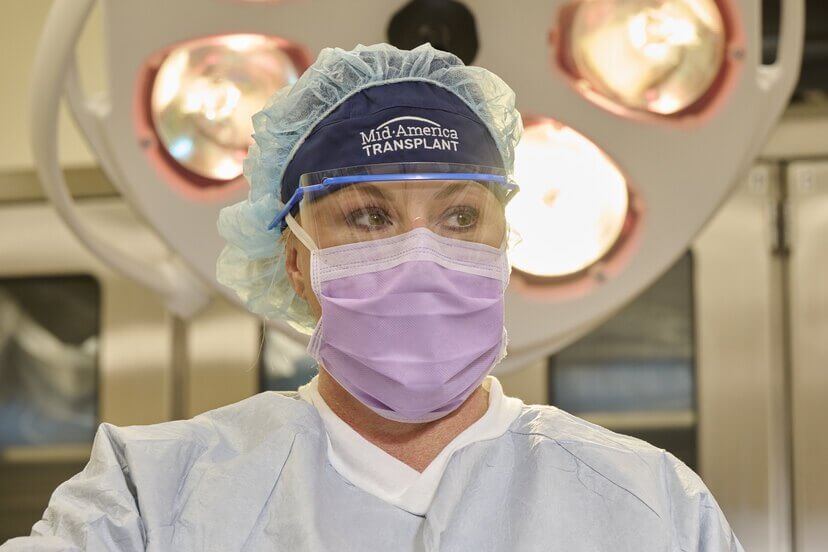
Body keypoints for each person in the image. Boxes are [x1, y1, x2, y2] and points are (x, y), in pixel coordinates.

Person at [1, 43, 743, 551]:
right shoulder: (155, 495)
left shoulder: (652, 505)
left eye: (459, 217)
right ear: (295, 260)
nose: (423, 252)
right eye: (370, 216)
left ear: (505, 245)